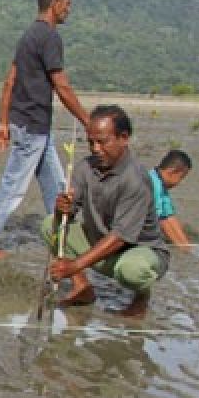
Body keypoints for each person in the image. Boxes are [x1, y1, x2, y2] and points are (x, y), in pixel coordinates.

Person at [0, 0, 91, 259]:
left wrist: (3, 123)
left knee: (56, 186)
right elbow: (62, 85)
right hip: (32, 125)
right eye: (67, 4)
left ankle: (62, 238)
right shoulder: (49, 37)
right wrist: (87, 120)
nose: (69, 10)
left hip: (33, 125)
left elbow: (10, 80)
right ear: (55, 3)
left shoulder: (27, 37)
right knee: (14, 187)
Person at [44, 105, 168, 319]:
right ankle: (82, 288)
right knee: (48, 226)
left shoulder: (135, 179)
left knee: (132, 271)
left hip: (136, 250)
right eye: (91, 142)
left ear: (123, 138)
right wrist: (61, 209)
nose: (95, 149)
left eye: (102, 142)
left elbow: (120, 237)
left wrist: (74, 265)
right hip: (100, 242)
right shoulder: (84, 167)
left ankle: (141, 298)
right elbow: (69, 214)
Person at [149, 149, 192, 248]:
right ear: (171, 172)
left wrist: (187, 246)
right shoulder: (153, 184)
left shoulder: (160, 182)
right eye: (181, 177)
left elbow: (169, 217)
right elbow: (162, 220)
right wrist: (180, 246)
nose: (180, 182)